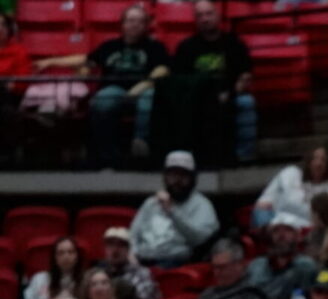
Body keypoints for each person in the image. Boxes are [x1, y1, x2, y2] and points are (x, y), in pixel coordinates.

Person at [35, 5, 169, 168]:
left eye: (140, 21)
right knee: (102, 100)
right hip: (114, 91)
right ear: (123, 24)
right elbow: (85, 60)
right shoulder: (109, 46)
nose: (135, 25)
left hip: (144, 90)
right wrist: (51, 61)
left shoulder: (155, 47)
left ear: (147, 25)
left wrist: (141, 87)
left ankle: (140, 146)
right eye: (131, 20)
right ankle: (108, 156)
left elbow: (163, 70)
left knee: (150, 99)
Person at [171, 0, 256, 163]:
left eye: (209, 14)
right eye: (200, 15)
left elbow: (245, 76)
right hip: (197, 99)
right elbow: (180, 81)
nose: (205, 19)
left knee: (247, 102)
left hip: (230, 94)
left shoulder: (234, 43)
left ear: (218, 16)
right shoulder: (186, 47)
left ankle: (245, 157)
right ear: (195, 20)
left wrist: (229, 94)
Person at [128, 152, 219, 268]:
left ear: (192, 178)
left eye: (183, 175)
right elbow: (133, 234)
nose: (177, 181)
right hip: (141, 261)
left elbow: (199, 239)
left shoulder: (202, 205)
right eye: (173, 175)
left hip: (176, 263)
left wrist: (172, 212)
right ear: (165, 177)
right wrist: (132, 254)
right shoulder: (151, 203)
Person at [19, 237, 87, 299]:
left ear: (77, 256)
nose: (66, 256)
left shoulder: (87, 280)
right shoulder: (40, 279)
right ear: (54, 257)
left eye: (70, 252)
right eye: (61, 253)